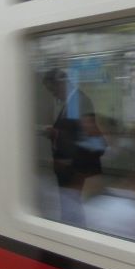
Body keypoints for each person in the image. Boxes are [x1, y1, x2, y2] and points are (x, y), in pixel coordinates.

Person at [41, 68, 105, 227]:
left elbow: (89, 137)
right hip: (71, 172)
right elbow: (75, 132)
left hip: (76, 172)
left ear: (61, 83)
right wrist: (55, 133)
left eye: (53, 89)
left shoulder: (77, 100)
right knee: (71, 215)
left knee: (74, 217)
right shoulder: (72, 101)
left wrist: (69, 161)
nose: (53, 94)